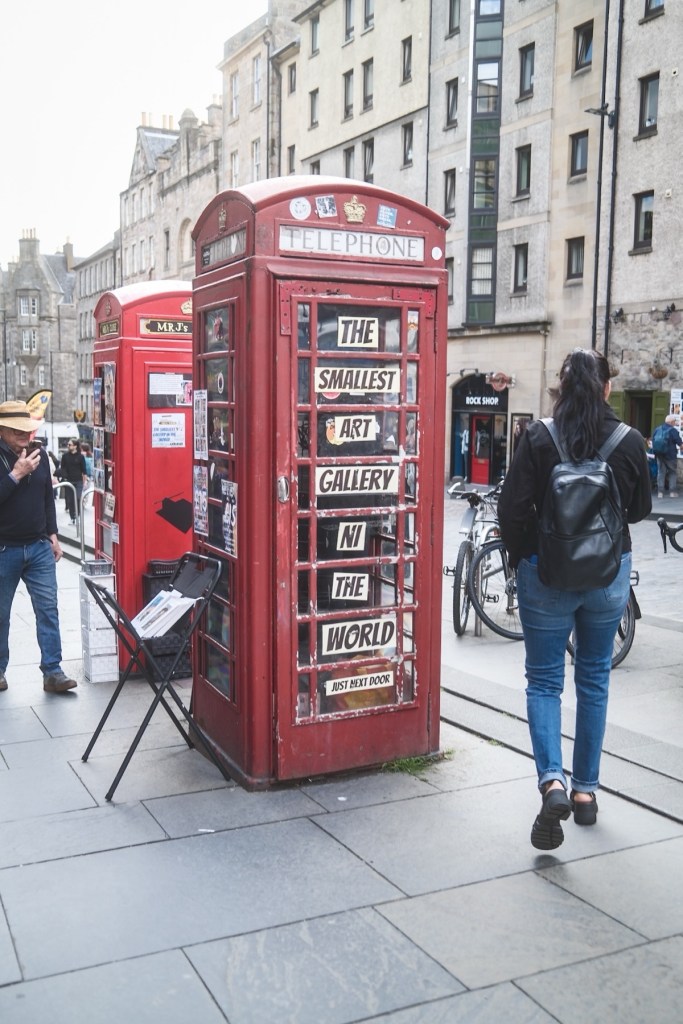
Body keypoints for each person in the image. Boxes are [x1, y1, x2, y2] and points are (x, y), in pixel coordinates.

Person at [498, 349, 651, 851]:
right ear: (607, 388)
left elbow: (511, 510)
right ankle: (585, 793)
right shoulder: (628, 441)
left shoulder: (539, 436)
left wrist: (526, 557)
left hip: (547, 575)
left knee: (545, 682)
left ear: (561, 388)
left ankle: (552, 783)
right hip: (607, 576)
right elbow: (640, 509)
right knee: (594, 679)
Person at [0, 400, 77, 693]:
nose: (25, 435)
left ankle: (53, 672)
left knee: (48, 610)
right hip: (4, 548)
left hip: (38, 546)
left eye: (27, 429)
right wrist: (16, 474)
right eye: (17, 430)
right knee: (1, 615)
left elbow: (47, 497)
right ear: (2, 430)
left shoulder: (40, 454)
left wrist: (53, 535)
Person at [59, 437, 87, 523]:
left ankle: (77, 515)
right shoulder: (65, 456)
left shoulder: (81, 457)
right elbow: (62, 468)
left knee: (78, 498)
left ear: (75, 446)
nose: (68, 446)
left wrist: (84, 481)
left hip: (78, 481)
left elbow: (84, 470)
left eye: (70, 444)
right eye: (68, 444)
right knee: (70, 500)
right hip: (69, 481)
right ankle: (72, 517)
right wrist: (63, 478)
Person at [654, 414, 682, 499]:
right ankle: (672, 492)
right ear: (671, 422)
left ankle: (660, 493)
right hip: (670, 456)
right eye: (674, 421)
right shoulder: (673, 431)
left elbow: (653, 440)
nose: (675, 423)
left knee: (661, 473)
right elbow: (680, 444)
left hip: (659, 455)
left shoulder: (657, 429)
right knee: (672, 473)